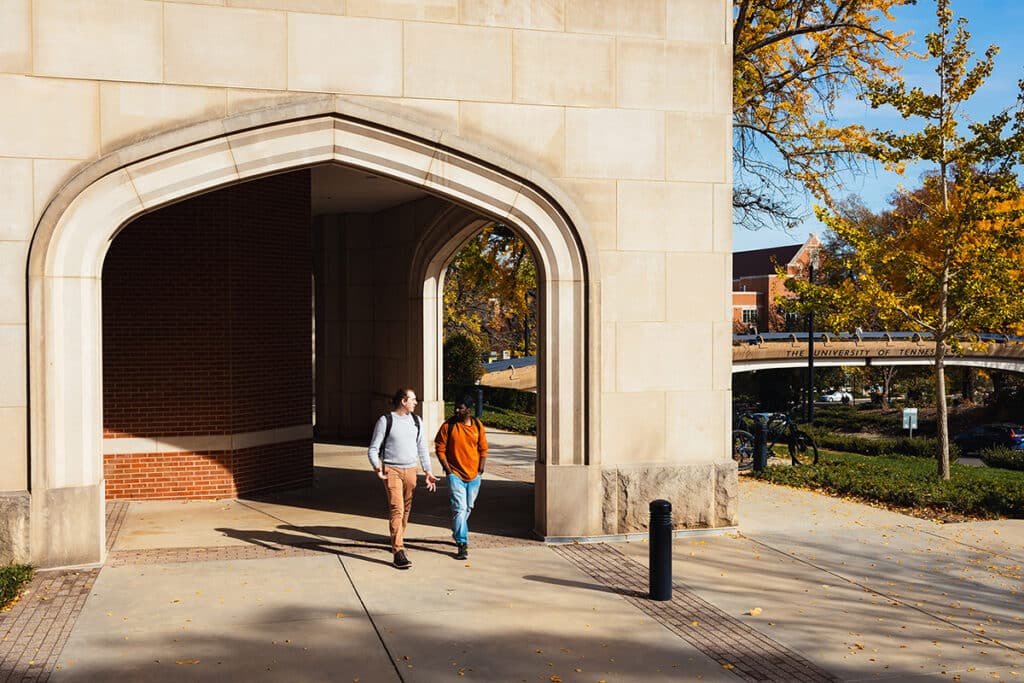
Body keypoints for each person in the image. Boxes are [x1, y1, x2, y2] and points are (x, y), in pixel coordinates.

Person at [368, 388, 437, 569]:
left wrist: (428, 471)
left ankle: (397, 538)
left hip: (411, 470)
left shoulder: (417, 421)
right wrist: (377, 467)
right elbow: (373, 448)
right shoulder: (386, 421)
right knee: (397, 508)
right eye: (413, 399)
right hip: (392, 469)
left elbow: (422, 447)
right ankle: (398, 551)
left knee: (406, 509)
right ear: (403, 401)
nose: (416, 402)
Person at [434, 396, 488, 560]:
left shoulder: (478, 425)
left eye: (460, 408)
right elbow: (440, 448)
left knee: (468, 507)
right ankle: (462, 544)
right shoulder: (448, 426)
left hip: (474, 476)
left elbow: (483, 448)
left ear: (468, 410)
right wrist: (448, 471)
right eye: (456, 407)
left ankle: (457, 531)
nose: (456, 410)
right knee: (460, 508)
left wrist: (481, 468)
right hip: (455, 475)